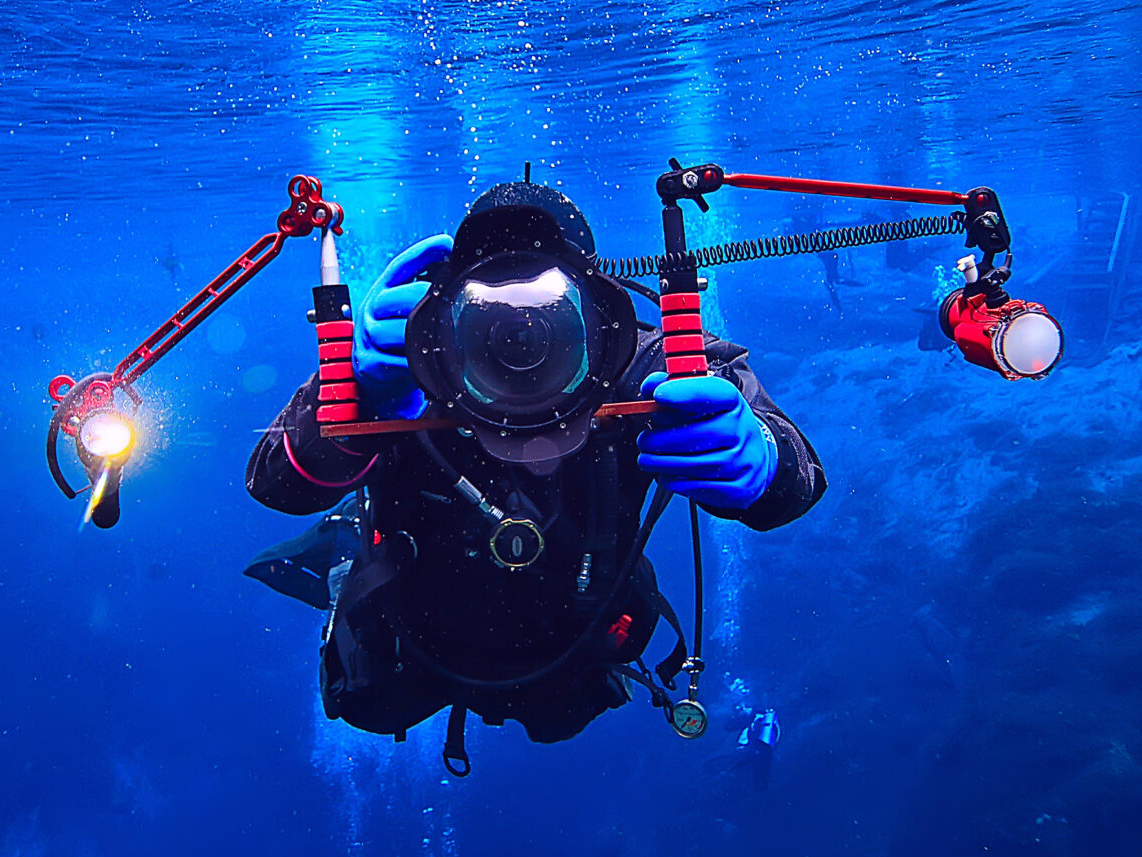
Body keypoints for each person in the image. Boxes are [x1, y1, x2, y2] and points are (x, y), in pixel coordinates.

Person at [245, 181, 825, 747]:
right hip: (413, 641)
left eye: (547, 315)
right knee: (368, 698)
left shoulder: (643, 364)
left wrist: (764, 459)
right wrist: (356, 393)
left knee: (567, 714)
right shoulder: (414, 360)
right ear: (444, 308)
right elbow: (275, 484)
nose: (520, 335)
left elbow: (796, 475)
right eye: (489, 314)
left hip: (570, 640)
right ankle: (349, 536)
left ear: (599, 313)